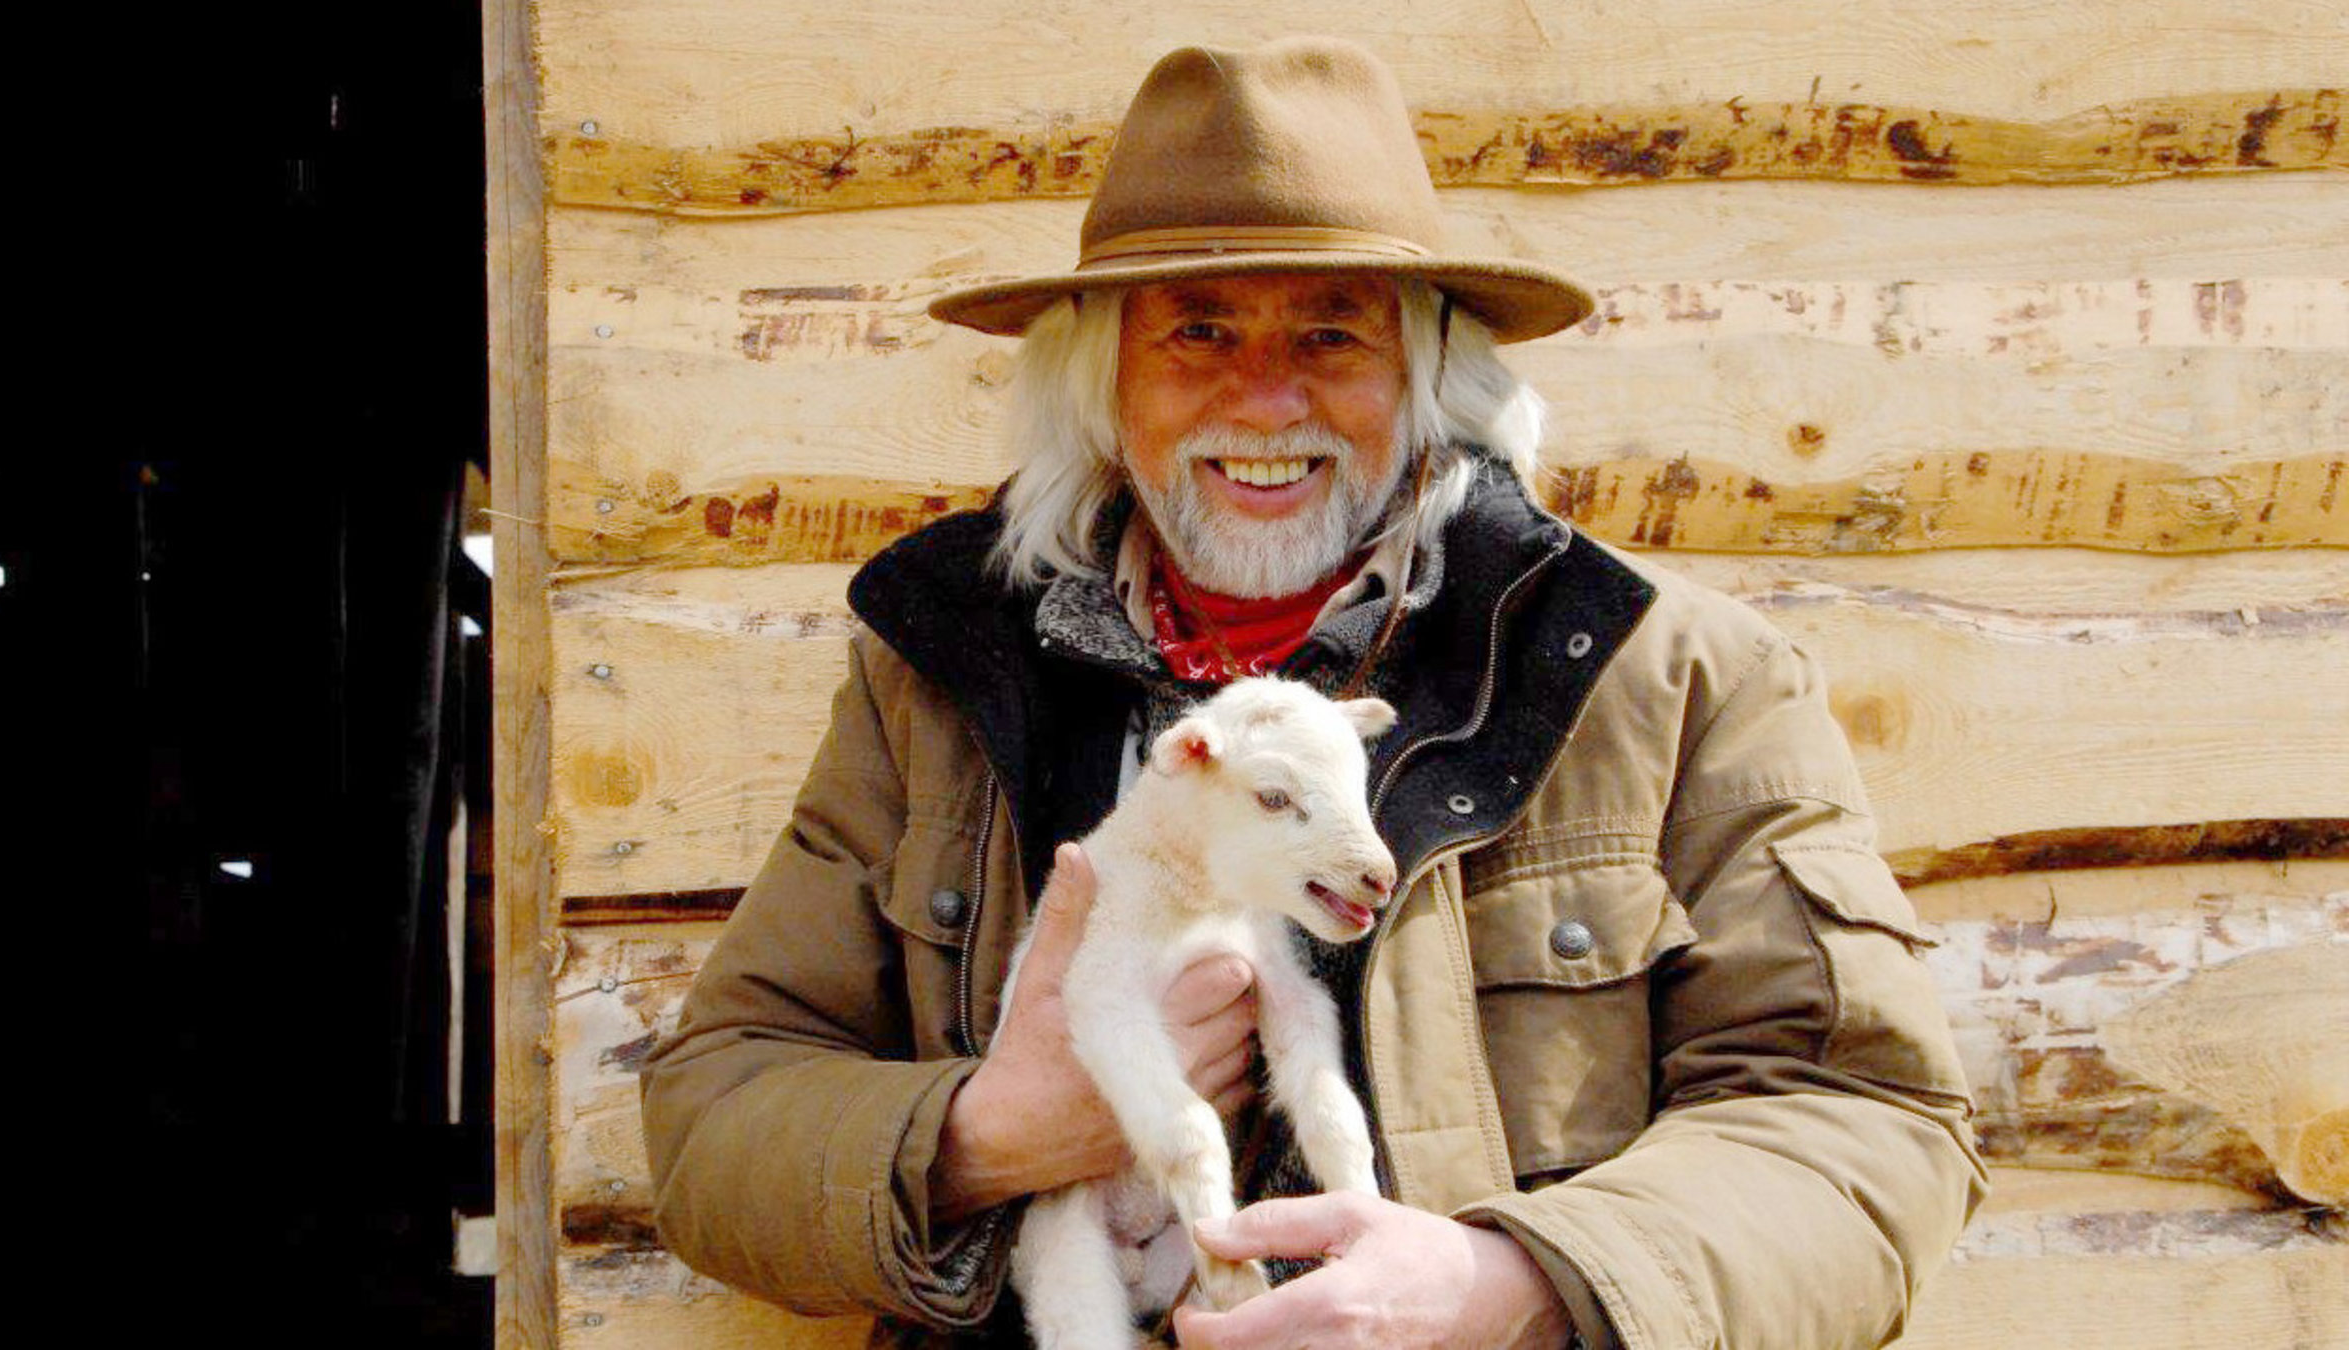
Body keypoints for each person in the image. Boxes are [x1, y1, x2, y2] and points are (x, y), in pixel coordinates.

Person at [641, 36, 1985, 1350]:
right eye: (1199, 332)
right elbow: (718, 1114)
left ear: (1428, 374)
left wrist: (1509, 1283)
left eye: (1332, 334)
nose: (1266, 399)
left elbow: (1870, 1121)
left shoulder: (1665, 674)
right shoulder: (937, 674)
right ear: (1104, 380)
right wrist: (993, 1132)